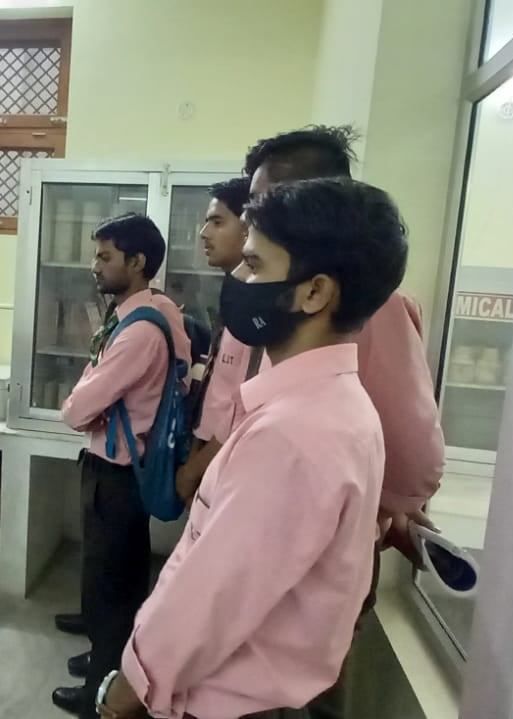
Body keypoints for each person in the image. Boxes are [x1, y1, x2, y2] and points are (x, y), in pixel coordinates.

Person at [98, 177, 408, 719]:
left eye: (255, 264)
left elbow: (212, 598)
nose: (239, 279)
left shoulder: (293, 433)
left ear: (314, 292)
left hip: (230, 703)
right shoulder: (334, 405)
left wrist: (129, 690)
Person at [243, 126, 445, 717]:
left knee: (301, 694)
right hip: (260, 533)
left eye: (266, 199)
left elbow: (414, 453)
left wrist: (379, 507)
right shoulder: (272, 296)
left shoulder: (370, 308)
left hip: (321, 551)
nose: (254, 216)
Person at [53, 214, 191, 718]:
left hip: (114, 473)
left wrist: (84, 398)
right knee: (122, 579)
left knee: (108, 587)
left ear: (137, 262)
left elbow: (77, 411)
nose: (95, 265)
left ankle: (100, 694)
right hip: (127, 470)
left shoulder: (140, 333)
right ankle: (107, 661)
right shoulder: (157, 310)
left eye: (105, 256)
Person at [175, 176, 253, 504]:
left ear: (248, 228)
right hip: (208, 452)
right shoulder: (235, 294)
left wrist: (195, 469)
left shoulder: (259, 309)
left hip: (232, 462)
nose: (204, 233)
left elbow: (246, 405)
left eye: (217, 222)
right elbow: (219, 391)